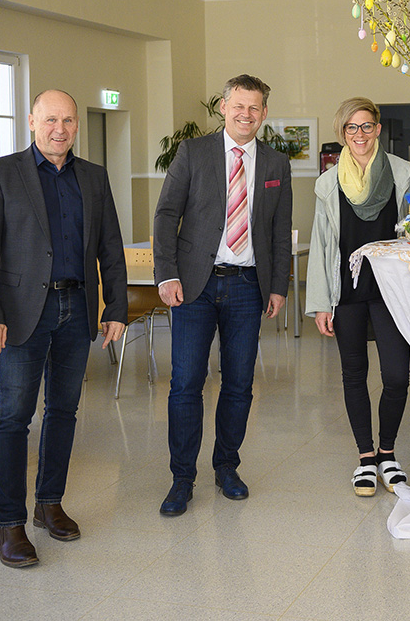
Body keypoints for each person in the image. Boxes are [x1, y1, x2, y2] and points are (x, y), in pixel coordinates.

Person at [0, 89, 128, 568]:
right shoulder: (0, 173)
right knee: (13, 416)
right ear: (33, 121)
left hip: (76, 308)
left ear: (77, 126)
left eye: (69, 121)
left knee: (63, 411)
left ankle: (49, 504)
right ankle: (9, 524)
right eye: (51, 119)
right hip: (19, 314)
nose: (60, 129)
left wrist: (116, 307)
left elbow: (111, 248)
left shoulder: (94, 178)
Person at [153, 74, 292, 514]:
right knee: (186, 384)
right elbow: (166, 215)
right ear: (223, 107)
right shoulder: (193, 153)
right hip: (195, 285)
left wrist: (279, 286)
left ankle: (226, 466)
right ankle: (181, 477)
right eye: (238, 106)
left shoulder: (275, 163)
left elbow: (279, 230)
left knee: (238, 384)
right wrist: (166, 274)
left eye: (254, 108)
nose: (245, 114)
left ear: (264, 113)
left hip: (249, 286)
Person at [306, 97, 410, 497]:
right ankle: (366, 458)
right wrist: (320, 303)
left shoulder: (402, 172)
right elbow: (321, 245)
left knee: (397, 376)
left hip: (390, 293)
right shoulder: (327, 183)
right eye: (352, 128)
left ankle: (388, 451)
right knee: (353, 374)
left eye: (367, 126)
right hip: (346, 293)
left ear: (378, 129)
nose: (360, 135)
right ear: (342, 133)